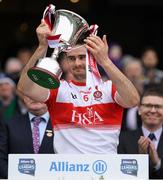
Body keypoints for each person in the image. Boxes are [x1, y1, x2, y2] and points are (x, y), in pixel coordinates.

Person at [17, 19, 139, 154]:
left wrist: (105, 60)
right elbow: (24, 88)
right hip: (67, 172)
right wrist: (42, 47)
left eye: (82, 57)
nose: (77, 63)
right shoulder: (58, 89)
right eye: (71, 58)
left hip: (104, 172)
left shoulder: (109, 88)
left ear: (93, 57)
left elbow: (133, 100)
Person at [0, 95, 54, 179]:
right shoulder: (8, 124)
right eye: (29, 93)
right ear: (24, 98)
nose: (35, 96)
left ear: (51, 97)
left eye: (39, 93)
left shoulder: (66, 126)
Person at [118, 85, 163, 179]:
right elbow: (120, 175)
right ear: (139, 109)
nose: (153, 110)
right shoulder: (122, 139)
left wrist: (157, 163)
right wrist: (140, 159)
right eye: (148, 105)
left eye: (158, 107)